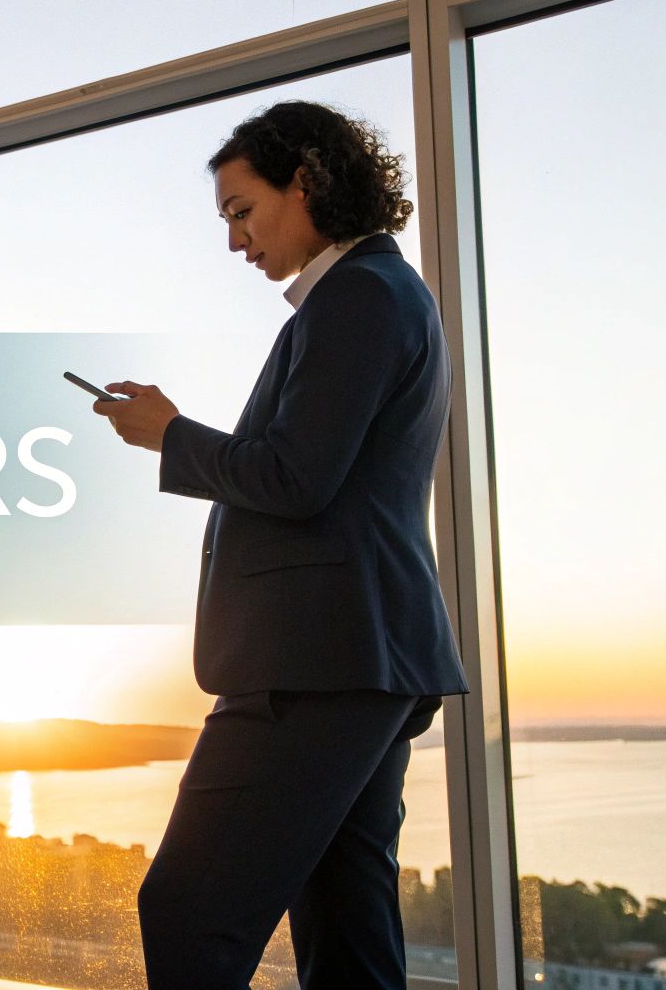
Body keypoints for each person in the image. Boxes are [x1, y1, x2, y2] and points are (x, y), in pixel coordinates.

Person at [92, 100, 471, 988]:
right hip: (362, 659)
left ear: (305, 181)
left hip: (317, 662)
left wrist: (172, 435)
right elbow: (316, 472)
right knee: (347, 926)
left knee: (187, 912)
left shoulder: (360, 298)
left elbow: (297, 477)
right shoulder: (379, 296)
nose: (236, 243)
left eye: (241, 211)